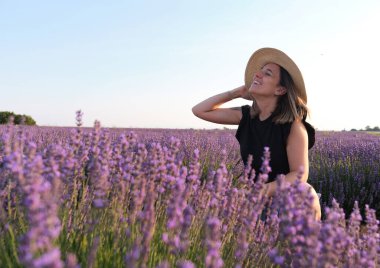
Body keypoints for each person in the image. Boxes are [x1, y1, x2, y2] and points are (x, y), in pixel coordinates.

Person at [192, 47, 321, 220]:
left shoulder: (294, 127)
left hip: (286, 198)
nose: (257, 75)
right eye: (259, 71)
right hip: (254, 197)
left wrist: (260, 192)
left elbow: (299, 175)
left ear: (280, 90)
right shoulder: (246, 116)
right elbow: (200, 110)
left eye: (267, 73)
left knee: (306, 192)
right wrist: (235, 93)